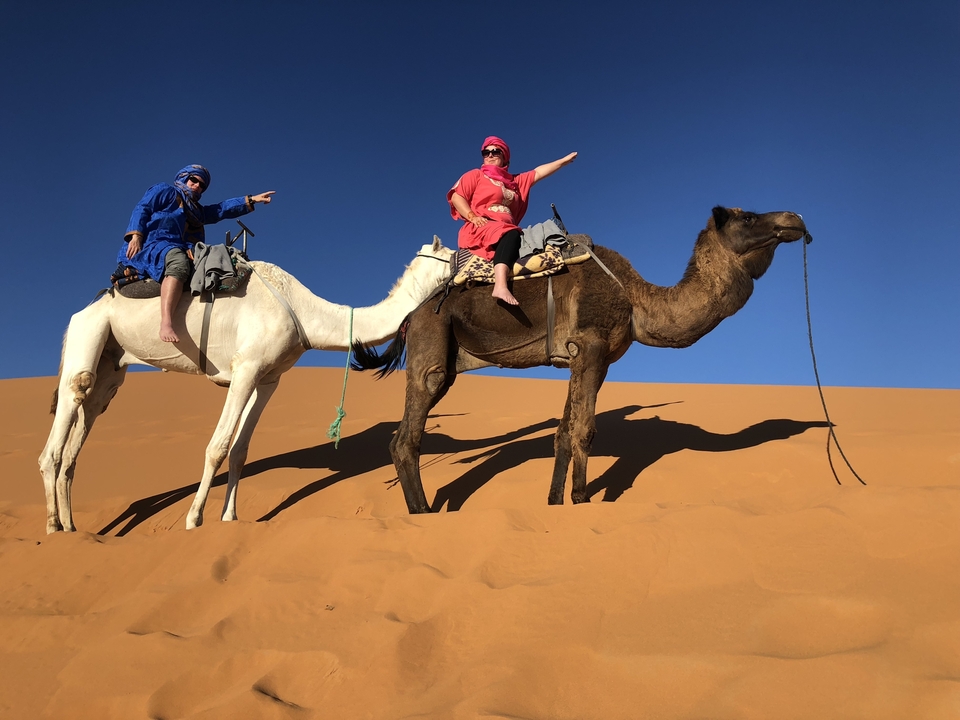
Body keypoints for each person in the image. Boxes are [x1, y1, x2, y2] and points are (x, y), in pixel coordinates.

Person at [117, 164, 275, 342]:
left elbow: (220, 210)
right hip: (154, 244)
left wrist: (251, 200)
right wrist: (136, 235)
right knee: (178, 263)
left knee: (215, 264)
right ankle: (166, 323)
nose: (198, 186)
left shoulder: (196, 211)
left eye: (202, 185)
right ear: (184, 177)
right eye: (194, 180)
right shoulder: (165, 191)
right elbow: (142, 208)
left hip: (180, 247)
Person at [447, 137, 576, 305]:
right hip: (482, 226)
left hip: (506, 227)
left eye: (496, 151)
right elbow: (457, 196)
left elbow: (538, 172)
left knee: (537, 236)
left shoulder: (515, 182)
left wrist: (563, 162)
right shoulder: (476, 175)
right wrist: (472, 216)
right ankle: (500, 286)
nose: (490, 155)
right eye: (486, 152)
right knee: (511, 234)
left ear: (505, 157)